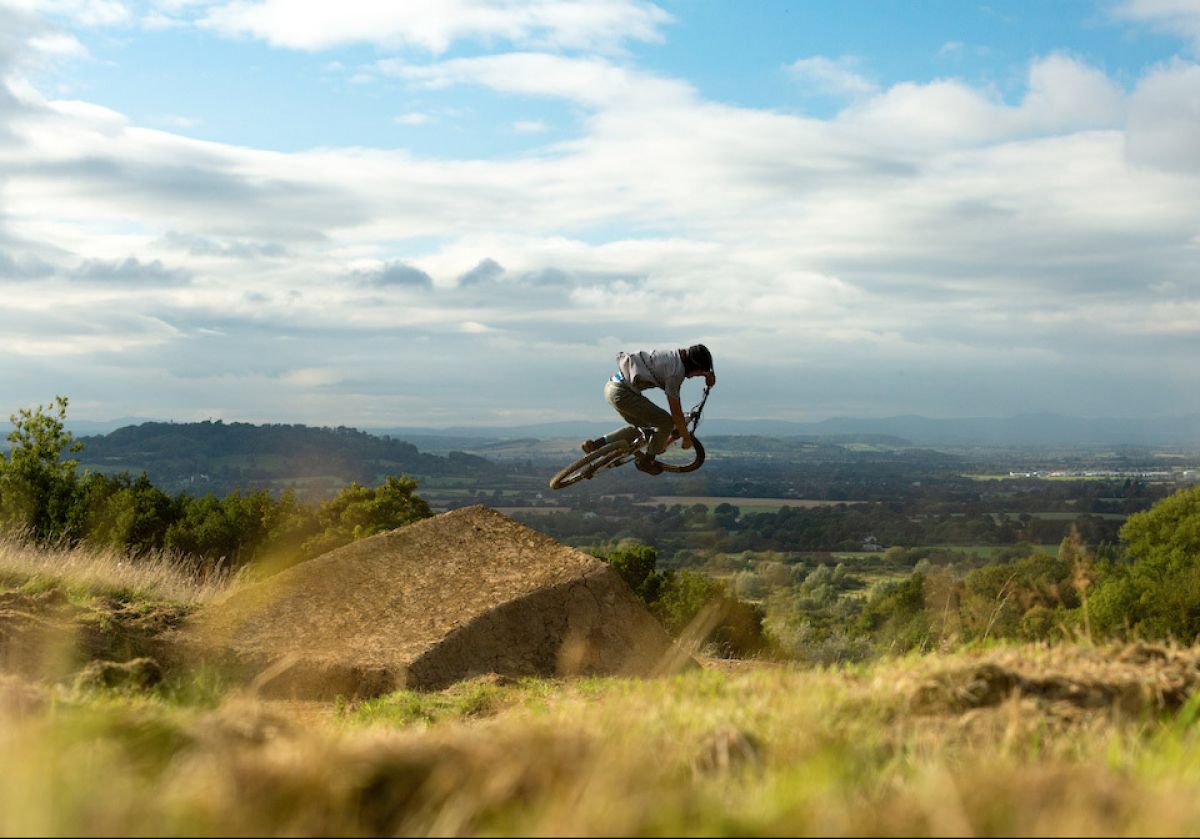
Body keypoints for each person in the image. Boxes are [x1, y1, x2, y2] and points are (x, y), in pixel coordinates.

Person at [580, 344, 716, 475]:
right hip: (623, 393)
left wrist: (706, 374)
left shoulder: (674, 357)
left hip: (612, 387)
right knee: (665, 422)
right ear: (694, 365)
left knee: (644, 429)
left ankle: (595, 445)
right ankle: (647, 462)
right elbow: (676, 412)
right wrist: (686, 438)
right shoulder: (675, 374)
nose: (694, 377)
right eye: (698, 373)